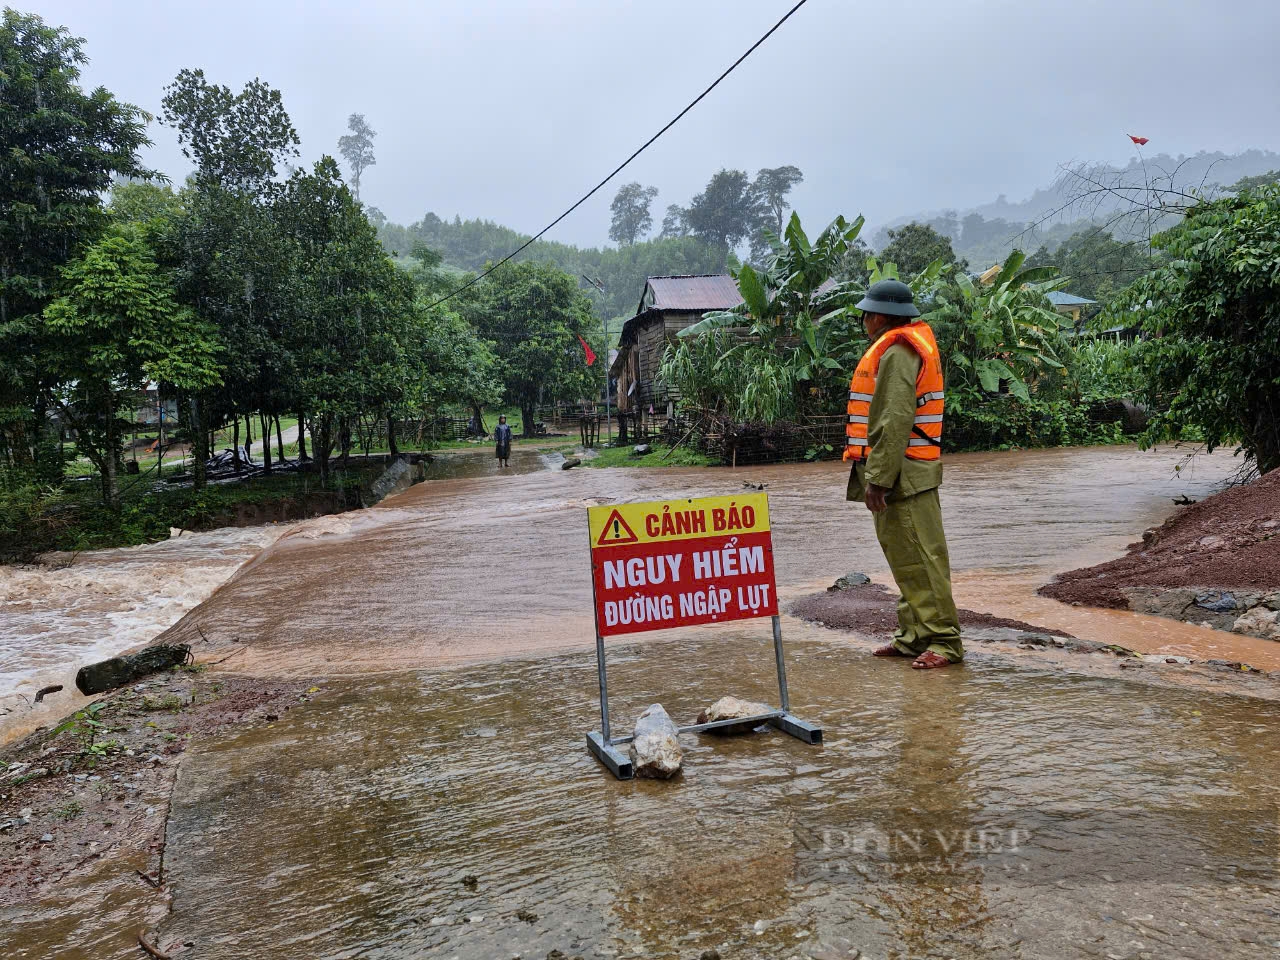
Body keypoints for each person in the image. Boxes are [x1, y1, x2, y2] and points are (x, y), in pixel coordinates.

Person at [844, 279, 962, 669]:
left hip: (904, 474)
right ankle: (913, 636)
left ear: (877, 316)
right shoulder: (903, 345)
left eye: (865, 314)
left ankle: (944, 642)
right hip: (905, 471)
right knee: (905, 558)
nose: (864, 321)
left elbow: (893, 419)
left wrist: (878, 478)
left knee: (922, 559)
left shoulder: (898, 351)